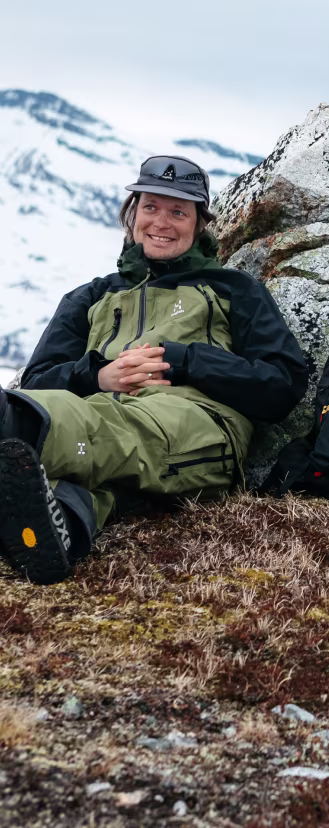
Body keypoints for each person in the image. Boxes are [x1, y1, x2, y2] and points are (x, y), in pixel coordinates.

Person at [0, 155, 309, 584]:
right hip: (100, 417)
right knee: (92, 459)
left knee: (76, 422)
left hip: (198, 424)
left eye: (178, 211)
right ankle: (65, 525)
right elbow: (38, 380)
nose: (161, 221)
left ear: (199, 223)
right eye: (150, 207)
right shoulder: (91, 296)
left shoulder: (235, 290)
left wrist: (185, 361)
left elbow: (282, 383)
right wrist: (97, 376)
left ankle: (15, 429)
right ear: (132, 215)